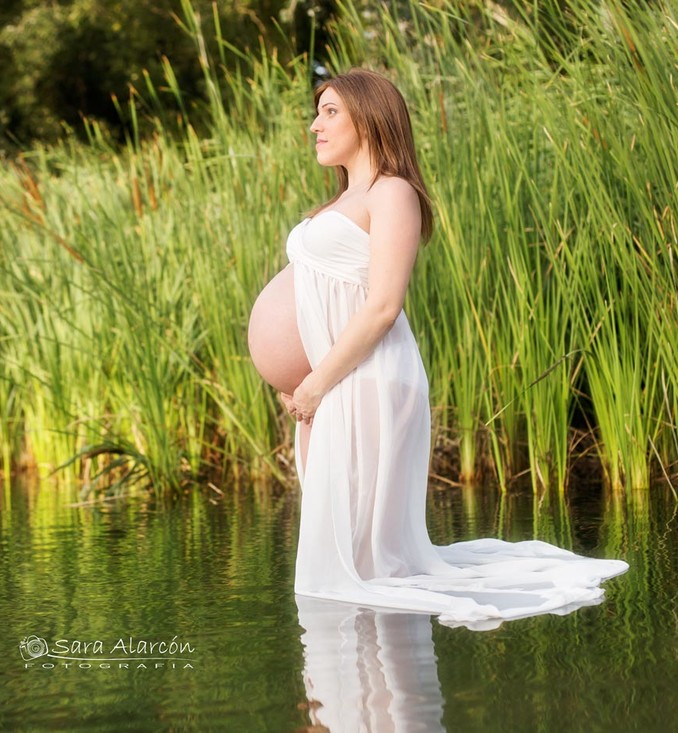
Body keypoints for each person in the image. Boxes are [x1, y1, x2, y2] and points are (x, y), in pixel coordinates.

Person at [248, 68, 628, 629]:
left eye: (330, 112)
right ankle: (342, 707)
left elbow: (382, 305)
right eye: (317, 112)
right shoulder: (346, 198)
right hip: (330, 388)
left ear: (371, 115)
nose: (315, 125)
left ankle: (370, 702)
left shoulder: (392, 192)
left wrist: (314, 381)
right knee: (341, 559)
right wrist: (300, 383)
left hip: (363, 382)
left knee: (362, 570)